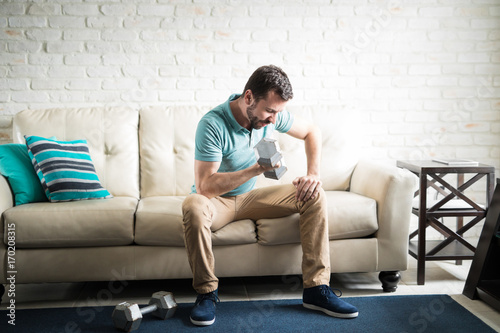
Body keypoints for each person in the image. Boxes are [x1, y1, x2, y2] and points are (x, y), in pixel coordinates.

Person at [182, 65, 358, 326]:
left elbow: (312, 132)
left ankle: (316, 289)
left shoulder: (271, 114)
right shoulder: (212, 124)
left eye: (279, 112)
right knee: (193, 204)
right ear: (249, 98)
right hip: (215, 203)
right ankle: (207, 294)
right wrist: (256, 169)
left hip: (250, 199)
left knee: (313, 193)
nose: (274, 119)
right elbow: (205, 186)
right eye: (270, 111)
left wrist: (313, 174)